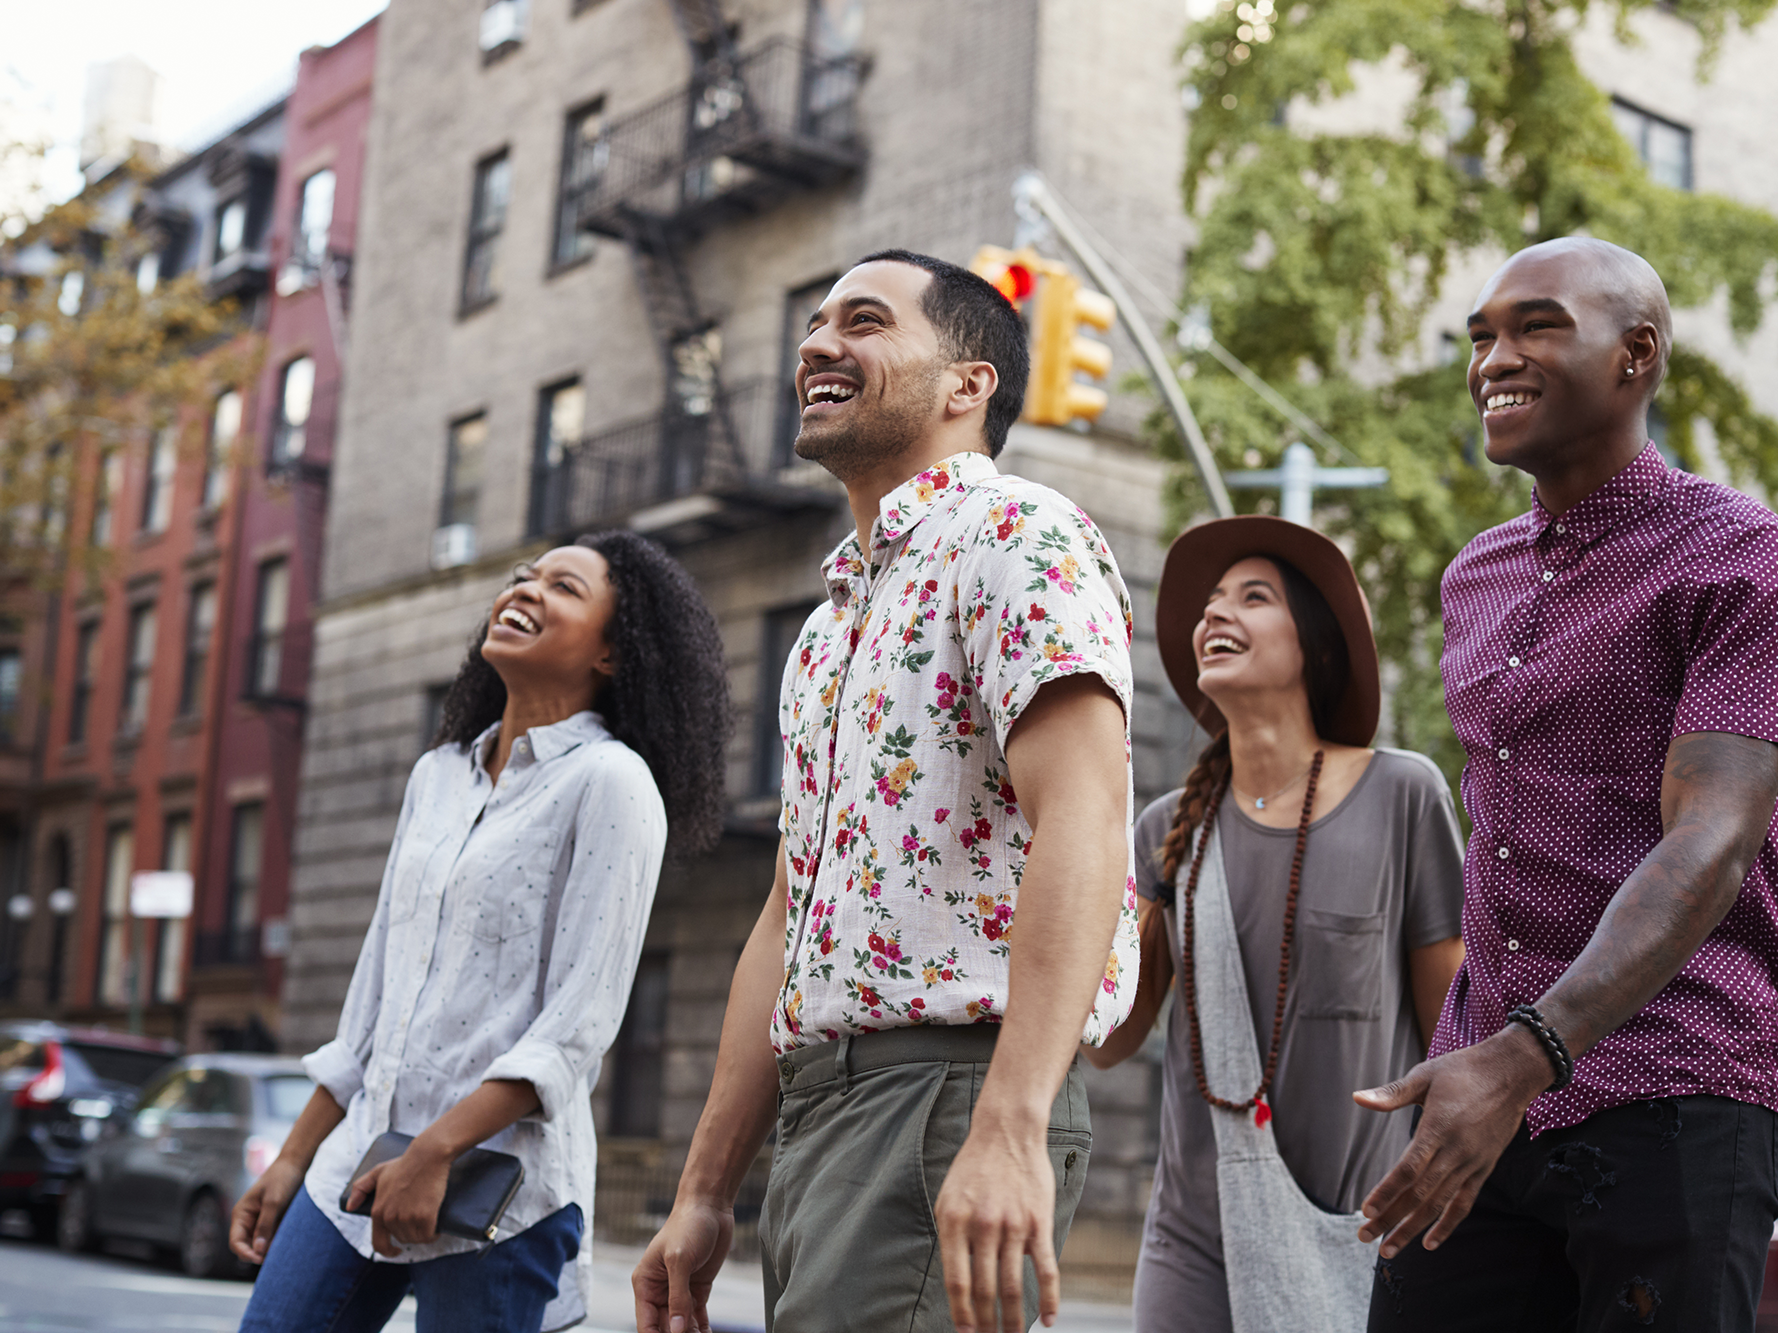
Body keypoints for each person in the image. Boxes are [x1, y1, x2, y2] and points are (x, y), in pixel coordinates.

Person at [631, 250, 1140, 1333]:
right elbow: (787, 913)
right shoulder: (825, 630)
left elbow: (1085, 821)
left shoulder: (1018, 536)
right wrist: (705, 1189)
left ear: (967, 385)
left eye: (863, 322)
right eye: (813, 324)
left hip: (949, 1093)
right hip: (825, 1108)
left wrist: (1007, 1123)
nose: (816, 343)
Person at [1356, 237, 1778, 1332]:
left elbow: (1707, 845)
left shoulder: (1744, 557)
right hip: (1485, 1099)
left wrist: (1527, 1052)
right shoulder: (1473, 574)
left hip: (1675, 1090)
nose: (1491, 359)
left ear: (1635, 356)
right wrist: (1494, 1063)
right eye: (1478, 336)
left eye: (1534, 327)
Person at [228, 532, 732, 1333]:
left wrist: (434, 1150)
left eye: (562, 587)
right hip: (356, 1165)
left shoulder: (610, 783)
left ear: (613, 650)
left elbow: (574, 1029)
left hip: (501, 1186)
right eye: (522, 577)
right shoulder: (437, 777)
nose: (524, 591)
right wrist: (293, 1158)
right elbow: (370, 1007)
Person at [1091, 515, 1464, 1333]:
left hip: (1363, 1233)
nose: (1216, 614)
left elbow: (1453, 1036)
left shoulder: (1404, 793)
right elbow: (1109, 1040)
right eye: (1210, 603)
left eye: (1253, 598)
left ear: (1317, 648)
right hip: (1193, 1242)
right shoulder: (1164, 828)